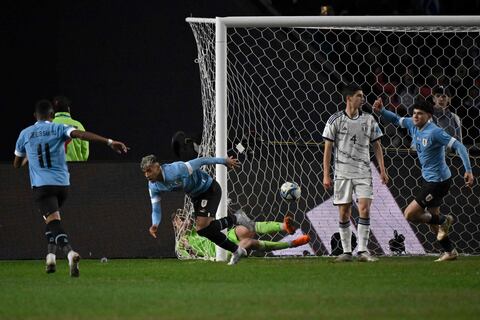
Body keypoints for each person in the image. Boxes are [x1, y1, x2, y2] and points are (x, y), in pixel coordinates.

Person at [14, 99, 129, 276]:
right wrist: (109, 141)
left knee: (54, 222)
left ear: (35, 116)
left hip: (42, 186)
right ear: (51, 116)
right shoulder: (59, 128)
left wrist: (28, 157)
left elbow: (17, 164)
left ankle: (69, 253)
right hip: (62, 186)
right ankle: (50, 257)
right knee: (52, 220)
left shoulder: (26, 133)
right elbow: (81, 135)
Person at [373, 98, 474, 261]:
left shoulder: (435, 132)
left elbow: (460, 146)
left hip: (439, 182)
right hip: (430, 179)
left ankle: (444, 219)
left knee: (410, 214)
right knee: (433, 222)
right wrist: (381, 111)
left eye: (420, 114)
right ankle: (450, 251)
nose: (415, 116)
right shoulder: (413, 124)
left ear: (428, 116)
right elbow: (396, 120)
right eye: (414, 113)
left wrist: (468, 170)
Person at [140, 154, 254, 265]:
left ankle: (236, 219)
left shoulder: (177, 169)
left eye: (149, 170)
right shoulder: (153, 186)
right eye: (144, 172)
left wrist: (224, 161)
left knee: (202, 228)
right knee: (203, 230)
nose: (146, 175)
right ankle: (236, 250)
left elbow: (201, 160)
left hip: (209, 189)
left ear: (157, 166)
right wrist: (155, 224)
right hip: (196, 196)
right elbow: (155, 208)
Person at [322, 84, 389, 262]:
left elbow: (377, 145)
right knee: (344, 213)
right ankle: (346, 252)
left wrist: (382, 170)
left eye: (362, 95)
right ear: (349, 98)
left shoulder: (369, 120)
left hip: (364, 172)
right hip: (342, 173)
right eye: (359, 96)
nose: (362, 98)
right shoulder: (334, 120)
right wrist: (326, 174)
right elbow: (327, 149)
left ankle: (363, 251)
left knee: (364, 209)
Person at [171, 209, 310, 259]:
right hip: (224, 253)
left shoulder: (198, 226)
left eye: (185, 218)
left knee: (246, 227)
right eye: (180, 220)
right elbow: (189, 260)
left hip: (227, 237)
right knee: (249, 243)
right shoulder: (181, 246)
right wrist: (189, 248)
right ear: (175, 225)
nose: (185, 221)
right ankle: (291, 244)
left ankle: (284, 226)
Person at [52, 95, 89, 161]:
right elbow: (85, 151)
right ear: (68, 109)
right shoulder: (79, 125)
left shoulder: (49, 125)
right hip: (77, 168)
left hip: (55, 168)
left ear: (52, 110)